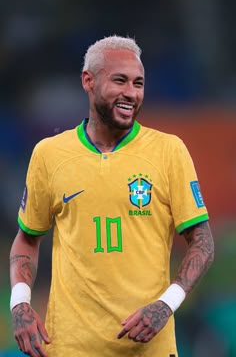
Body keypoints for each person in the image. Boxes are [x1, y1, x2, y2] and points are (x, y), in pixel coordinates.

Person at [10, 35, 214, 357]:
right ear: (88, 81)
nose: (131, 93)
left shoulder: (168, 151)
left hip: (150, 350)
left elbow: (203, 243)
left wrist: (166, 305)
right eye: (120, 80)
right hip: (71, 348)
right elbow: (27, 238)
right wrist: (20, 304)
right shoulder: (49, 155)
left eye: (138, 83)